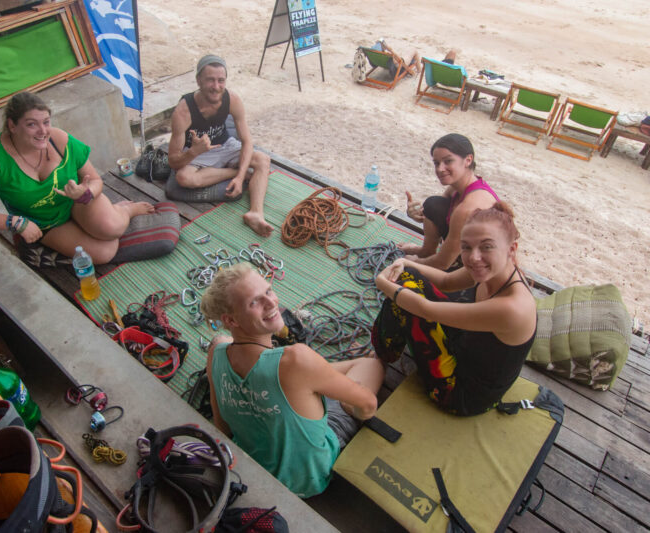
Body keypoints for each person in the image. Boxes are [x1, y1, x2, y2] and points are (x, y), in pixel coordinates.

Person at [201, 263, 384, 498]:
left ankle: (317, 382)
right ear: (232, 320)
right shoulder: (296, 359)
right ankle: (328, 389)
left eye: (268, 291)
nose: (271, 303)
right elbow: (368, 406)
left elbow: (223, 427)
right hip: (308, 480)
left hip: (257, 467)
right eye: (254, 302)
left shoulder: (216, 352)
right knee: (371, 364)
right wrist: (353, 410)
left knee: (301, 374)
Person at [373, 202, 536, 416]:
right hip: (466, 348)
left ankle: (379, 355)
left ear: (511, 249)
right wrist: (406, 262)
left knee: (405, 298)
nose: (474, 257)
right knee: (407, 277)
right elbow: (446, 281)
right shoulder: (492, 268)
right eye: (466, 247)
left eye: (486, 246)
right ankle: (385, 350)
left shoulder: (513, 308)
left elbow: (426, 310)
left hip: (462, 393)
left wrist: (383, 283)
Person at [0, 92, 154, 264]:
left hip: (78, 203)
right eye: (31, 124)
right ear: (12, 125)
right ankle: (105, 218)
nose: (43, 131)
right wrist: (15, 222)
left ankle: (125, 210)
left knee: (112, 228)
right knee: (105, 252)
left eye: (46, 122)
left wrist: (85, 193)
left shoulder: (59, 140)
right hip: (46, 223)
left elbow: (95, 180)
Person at [167, 54, 273, 237]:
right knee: (184, 178)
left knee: (263, 160)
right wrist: (193, 152)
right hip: (198, 155)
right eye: (210, 80)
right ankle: (247, 175)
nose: (216, 87)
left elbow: (247, 141)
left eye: (221, 80)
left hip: (225, 145)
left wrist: (239, 179)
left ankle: (255, 213)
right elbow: (173, 161)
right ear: (199, 80)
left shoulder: (232, 99)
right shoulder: (183, 111)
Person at [400, 133, 499, 270]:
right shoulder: (457, 187)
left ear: (468, 160)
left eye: (448, 161)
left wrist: (410, 262)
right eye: (436, 163)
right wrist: (416, 214)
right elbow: (433, 214)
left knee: (405, 272)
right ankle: (426, 251)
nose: (440, 169)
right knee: (433, 204)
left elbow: (442, 263)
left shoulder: (469, 206)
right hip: (469, 248)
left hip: (482, 271)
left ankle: (451, 261)